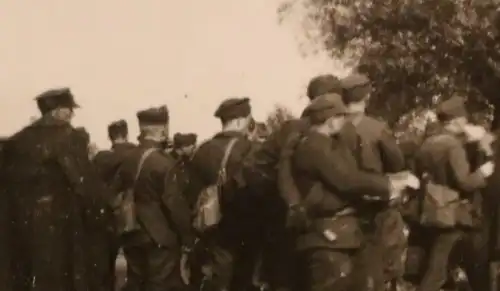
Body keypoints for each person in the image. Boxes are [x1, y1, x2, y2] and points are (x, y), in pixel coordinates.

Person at [289, 93, 414, 291]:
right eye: (341, 117)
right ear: (330, 121)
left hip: (340, 233)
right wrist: (389, 184)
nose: (345, 122)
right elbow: (347, 180)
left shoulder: (324, 144)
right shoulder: (315, 147)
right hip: (328, 235)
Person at [2, 88, 90, 291]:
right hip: (60, 221)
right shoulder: (70, 137)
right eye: (69, 109)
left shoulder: (17, 140)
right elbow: (82, 182)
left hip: (19, 220)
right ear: (58, 111)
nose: (71, 114)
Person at [413, 95, 495, 291]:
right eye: (464, 119)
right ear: (456, 120)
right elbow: (465, 182)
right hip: (452, 212)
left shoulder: (428, 142)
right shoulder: (453, 146)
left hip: (432, 208)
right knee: (439, 270)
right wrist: (485, 171)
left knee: (444, 264)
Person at [113, 105, 194, 291]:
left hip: (131, 231)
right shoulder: (165, 163)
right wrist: (187, 238)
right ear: (163, 130)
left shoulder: (127, 159)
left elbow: (115, 193)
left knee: (135, 284)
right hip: (159, 237)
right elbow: (174, 206)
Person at [339, 73, 407, 291]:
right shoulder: (376, 128)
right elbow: (397, 164)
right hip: (375, 205)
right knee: (382, 264)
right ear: (366, 97)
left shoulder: (331, 127)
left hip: (340, 207)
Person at [188, 97, 255, 291]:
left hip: (210, 225)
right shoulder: (249, 148)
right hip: (242, 226)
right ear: (240, 121)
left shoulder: (203, 150)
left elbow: (191, 191)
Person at [93, 119, 137, 290]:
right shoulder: (136, 154)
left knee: (107, 261)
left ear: (110, 137)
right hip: (133, 213)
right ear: (126, 134)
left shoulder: (101, 158)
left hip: (108, 214)